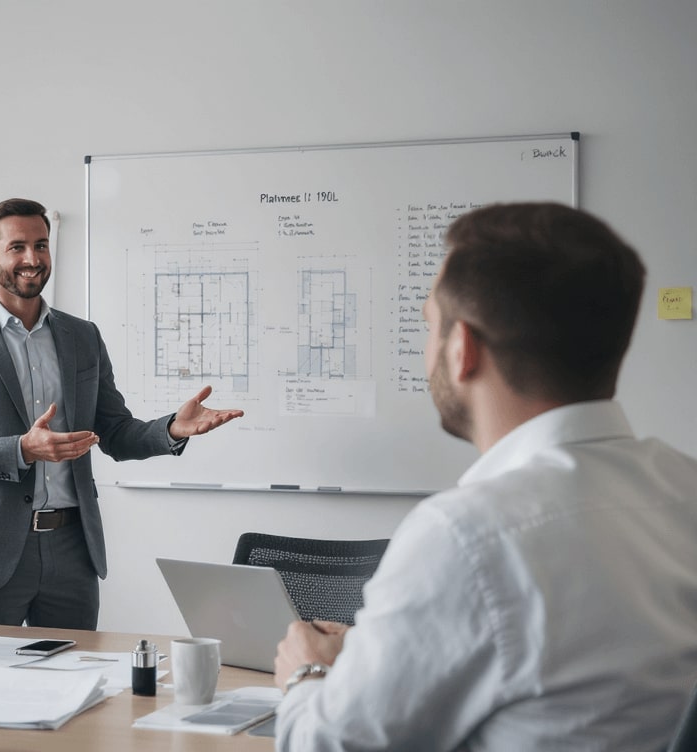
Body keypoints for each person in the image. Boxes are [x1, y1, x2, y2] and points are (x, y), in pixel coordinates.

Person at [273, 202, 697, 750]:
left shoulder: (467, 535)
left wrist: (306, 674)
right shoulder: (683, 487)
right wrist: (383, 650)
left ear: (461, 349)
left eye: (429, 325)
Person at [0, 197, 244, 632]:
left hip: (73, 547)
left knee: (75, 679)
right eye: (17, 247)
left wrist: (170, 429)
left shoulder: (82, 336)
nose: (32, 259)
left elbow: (113, 431)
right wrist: (21, 450)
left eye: (41, 245)